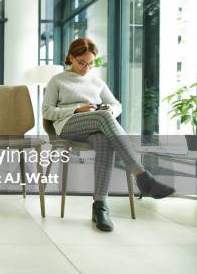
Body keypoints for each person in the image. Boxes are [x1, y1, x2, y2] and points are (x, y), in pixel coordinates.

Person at [42, 37, 175, 232]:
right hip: (68, 126)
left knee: (105, 140)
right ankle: (142, 175)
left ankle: (100, 207)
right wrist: (77, 109)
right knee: (102, 117)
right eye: (82, 62)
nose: (86, 68)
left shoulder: (97, 82)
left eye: (90, 64)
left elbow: (117, 105)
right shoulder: (58, 80)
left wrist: (112, 111)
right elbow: (47, 112)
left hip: (96, 125)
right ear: (71, 57)